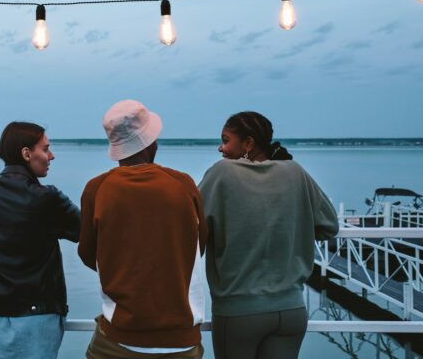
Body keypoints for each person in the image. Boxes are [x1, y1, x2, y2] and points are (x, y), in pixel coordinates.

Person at [198, 111, 339, 359]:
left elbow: (192, 227)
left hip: (239, 311)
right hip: (291, 310)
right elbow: (329, 226)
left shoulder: (222, 173)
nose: (221, 148)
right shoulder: (294, 172)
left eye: (226, 140)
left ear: (249, 143)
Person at [78, 100, 207, 358]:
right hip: (181, 340)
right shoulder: (182, 184)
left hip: (119, 339)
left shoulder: (97, 188)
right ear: (151, 142)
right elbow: (198, 246)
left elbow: (88, 255)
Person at [0, 121, 81, 359]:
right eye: (45, 149)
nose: (51, 156)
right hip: (38, 318)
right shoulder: (49, 198)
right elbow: (83, 232)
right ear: (26, 153)